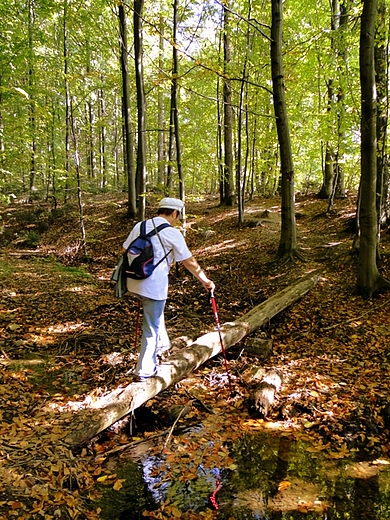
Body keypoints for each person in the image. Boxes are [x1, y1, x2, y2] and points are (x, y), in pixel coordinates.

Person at [123, 197, 215, 381]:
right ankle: (145, 371)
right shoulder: (171, 233)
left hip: (133, 281)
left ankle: (162, 346)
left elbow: (125, 250)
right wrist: (205, 280)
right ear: (174, 213)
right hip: (153, 285)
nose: (178, 219)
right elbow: (189, 262)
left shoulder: (140, 226)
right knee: (151, 327)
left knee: (154, 315)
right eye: (178, 215)